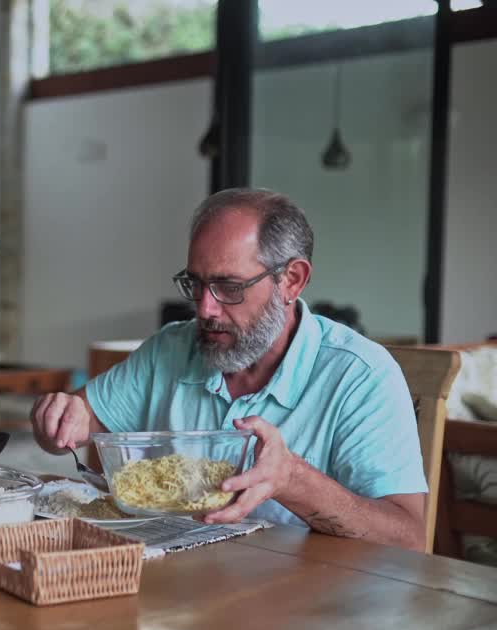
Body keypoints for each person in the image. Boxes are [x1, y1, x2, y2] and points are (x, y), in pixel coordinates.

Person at [31, 188, 427, 550]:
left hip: (306, 604)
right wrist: (61, 419)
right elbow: (78, 426)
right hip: (179, 589)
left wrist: (291, 480)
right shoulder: (170, 349)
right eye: (196, 284)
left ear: (291, 280)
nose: (205, 309)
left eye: (229, 287)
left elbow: (407, 538)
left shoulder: (362, 376)